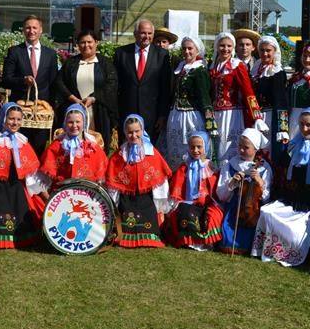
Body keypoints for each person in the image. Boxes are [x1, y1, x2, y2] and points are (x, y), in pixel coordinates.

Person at [252, 109, 310, 266]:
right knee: (266, 212)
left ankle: (289, 253)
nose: (305, 129)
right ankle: (269, 249)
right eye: (301, 124)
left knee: (296, 232)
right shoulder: (291, 149)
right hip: (289, 201)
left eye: (309, 125)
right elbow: (280, 177)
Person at [0, 102, 49, 249]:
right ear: (3, 119)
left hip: (17, 188)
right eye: (11, 118)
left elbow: (31, 173)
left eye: (18, 119)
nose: (15, 122)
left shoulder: (22, 141)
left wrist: (45, 197)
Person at [104, 114, 172, 248]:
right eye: (130, 132)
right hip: (126, 199)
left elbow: (160, 182)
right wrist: (114, 206)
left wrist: (160, 207)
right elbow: (113, 183)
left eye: (137, 131)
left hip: (146, 199)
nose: (133, 135)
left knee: (148, 217)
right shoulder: (119, 155)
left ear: (142, 131)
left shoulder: (152, 153)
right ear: (125, 132)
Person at [1, 15, 59, 155]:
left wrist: (53, 108)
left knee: (38, 150)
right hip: (20, 112)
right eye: (28, 27)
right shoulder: (15, 52)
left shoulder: (50, 54)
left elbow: (54, 82)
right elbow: (6, 80)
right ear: (23, 30)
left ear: (40, 30)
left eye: (34, 28)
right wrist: (22, 80)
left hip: (41, 113)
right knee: (19, 150)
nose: (31, 31)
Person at [54, 29, 119, 152]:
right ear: (78, 44)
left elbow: (112, 84)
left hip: (97, 111)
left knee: (97, 145)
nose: (86, 45)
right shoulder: (70, 63)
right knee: (75, 144)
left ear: (96, 42)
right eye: (82, 42)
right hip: (75, 110)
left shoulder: (105, 63)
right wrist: (73, 99)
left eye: (89, 42)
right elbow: (59, 82)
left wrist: (94, 97)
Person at [216, 128, 272, 255]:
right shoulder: (230, 164)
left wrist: (259, 181)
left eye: (246, 147)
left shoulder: (264, 168)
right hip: (234, 208)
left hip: (253, 209)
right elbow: (221, 195)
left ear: (255, 149)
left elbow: (266, 197)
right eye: (239, 146)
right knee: (228, 237)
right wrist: (232, 183)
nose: (241, 150)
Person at [114, 19, 172, 141]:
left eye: (150, 33)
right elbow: (115, 85)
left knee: (149, 152)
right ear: (135, 34)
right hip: (127, 112)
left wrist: (162, 115)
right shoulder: (122, 53)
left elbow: (165, 87)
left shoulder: (162, 55)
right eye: (143, 33)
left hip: (152, 116)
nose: (147, 36)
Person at [210, 32, 265, 160]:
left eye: (229, 46)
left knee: (228, 148)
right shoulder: (213, 66)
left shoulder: (237, 65)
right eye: (222, 45)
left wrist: (256, 116)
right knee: (215, 148)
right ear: (217, 47)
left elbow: (248, 92)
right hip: (216, 114)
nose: (225, 49)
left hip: (232, 114)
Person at [165, 132, 223, 250]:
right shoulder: (184, 167)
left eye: (199, 147)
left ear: (206, 147)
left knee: (212, 216)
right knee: (184, 212)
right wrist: (176, 202)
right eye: (192, 147)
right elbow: (177, 186)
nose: (195, 150)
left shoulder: (210, 167)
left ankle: (205, 241)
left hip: (206, 203)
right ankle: (188, 241)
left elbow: (214, 189)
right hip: (188, 202)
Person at [165, 35, 214, 168]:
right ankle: (177, 178)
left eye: (190, 48)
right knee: (175, 149)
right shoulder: (180, 67)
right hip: (175, 115)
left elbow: (204, 96)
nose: (186, 52)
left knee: (191, 146)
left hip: (192, 117)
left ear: (197, 50)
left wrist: (210, 120)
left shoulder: (199, 70)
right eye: (184, 49)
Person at [40, 103, 108, 190]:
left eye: (78, 122)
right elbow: (45, 178)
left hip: (88, 194)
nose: (74, 126)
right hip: (62, 193)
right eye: (70, 122)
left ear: (84, 123)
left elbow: (102, 177)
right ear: (65, 123)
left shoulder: (92, 147)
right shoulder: (57, 146)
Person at [252, 35, 288, 142]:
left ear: (274, 52)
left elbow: (281, 100)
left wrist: (283, 128)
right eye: (262, 50)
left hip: (271, 116)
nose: (265, 54)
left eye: (268, 50)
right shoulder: (255, 70)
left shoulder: (277, 72)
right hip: (257, 116)